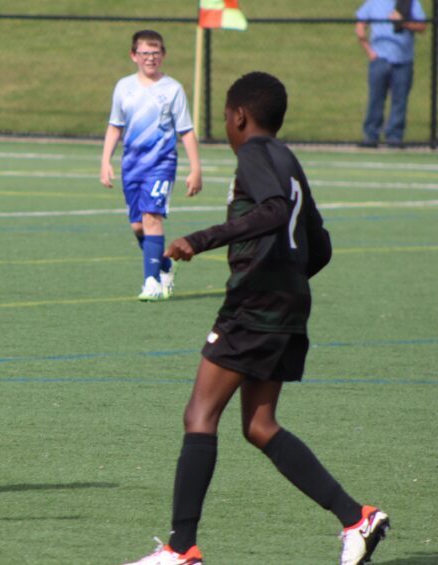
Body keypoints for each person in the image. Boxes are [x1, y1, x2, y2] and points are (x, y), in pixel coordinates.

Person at [121, 72, 388, 565]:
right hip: (288, 303)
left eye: (225, 116)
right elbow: (320, 242)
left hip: (255, 304)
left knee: (199, 415)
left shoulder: (254, 156)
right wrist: (291, 277)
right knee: (260, 424)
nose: (225, 124)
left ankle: (181, 549)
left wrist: (200, 240)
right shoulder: (288, 159)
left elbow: (271, 210)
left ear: (239, 116)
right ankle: (357, 518)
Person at [101, 29, 202, 302]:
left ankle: (152, 282)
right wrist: (105, 161)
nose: (150, 58)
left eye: (155, 53)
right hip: (131, 166)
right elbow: (115, 126)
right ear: (134, 55)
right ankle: (165, 265)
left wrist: (195, 169)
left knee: (151, 217)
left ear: (163, 55)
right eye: (144, 53)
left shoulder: (173, 89)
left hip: (161, 165)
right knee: (137, 226)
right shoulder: (124, 87)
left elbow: (186, 131)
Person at [355, 0, 428, 148]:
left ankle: (394, 137)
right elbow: (360, 27)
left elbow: (422, 26)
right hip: (379, 59)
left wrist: (403, 22)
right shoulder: (374, 2)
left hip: (403, 60)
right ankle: (371, 136)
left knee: (399, 101)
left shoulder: (410, 2)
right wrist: (370, 52)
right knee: (376, 99)